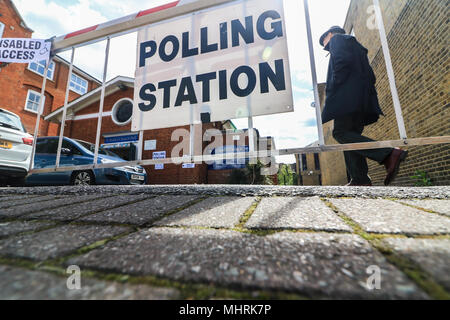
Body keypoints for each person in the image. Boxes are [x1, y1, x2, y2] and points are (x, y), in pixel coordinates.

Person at [319, 26, 408, 186]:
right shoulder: (355, 46)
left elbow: (340, 64)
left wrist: (335, 88)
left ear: (330, 34)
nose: (324, 44)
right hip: (359, 100)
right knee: (350, 136)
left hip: (345, 99)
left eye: (323, 40)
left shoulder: (338, 40)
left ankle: (388, 154)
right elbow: (371, 75)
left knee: (340, 133)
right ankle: (360, 179)